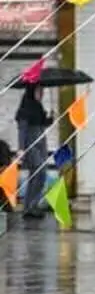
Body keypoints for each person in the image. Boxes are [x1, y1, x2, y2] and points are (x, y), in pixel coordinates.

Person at [15, 84, 50, 219]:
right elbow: (22, 130)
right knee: (38, 172)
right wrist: (21, 148)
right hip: (31, 144)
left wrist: (50, 118)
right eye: (39, 91)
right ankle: (29, 206)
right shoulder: (25, 109)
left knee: (40, 174)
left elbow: (42, 123)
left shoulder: (38, 107)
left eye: (42, 91)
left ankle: (32, 205)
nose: (41, 94)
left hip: (41, 143)